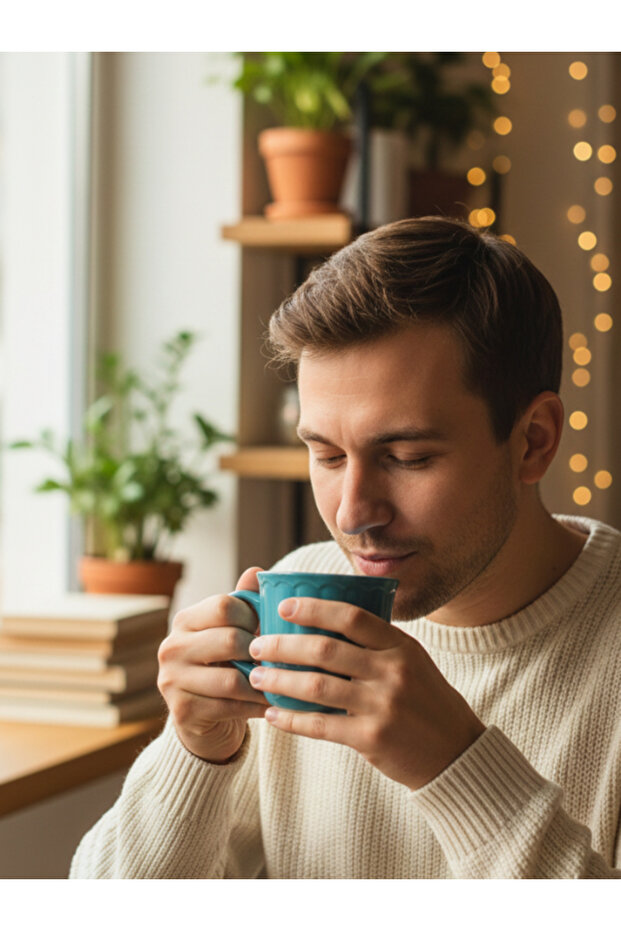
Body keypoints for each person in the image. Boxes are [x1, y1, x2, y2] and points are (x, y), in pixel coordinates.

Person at [70, 217, 621, 879]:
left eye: (408, 456)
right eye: (325, 454)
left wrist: (457, 767)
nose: (353, 512)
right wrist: (194, 754)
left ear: (532, 440)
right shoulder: (296, 596)